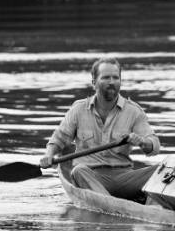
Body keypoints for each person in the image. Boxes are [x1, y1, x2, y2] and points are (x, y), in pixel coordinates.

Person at [39, 57, 160, 200]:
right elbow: (58, 139)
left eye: (116, 78)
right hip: (89, 176)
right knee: (78, 170)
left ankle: (153, 205)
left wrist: (142, 142)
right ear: (94, 83)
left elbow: (155, 146)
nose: (111, 82)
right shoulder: (78, 109)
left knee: (162, 170)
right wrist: (49, 155)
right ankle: (111, 203)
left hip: (122, 178)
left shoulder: (134, 111)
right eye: (106, 78)